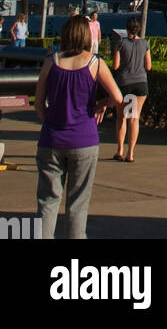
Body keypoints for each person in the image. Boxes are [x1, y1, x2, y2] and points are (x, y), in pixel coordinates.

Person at [34, 14, 124, 238]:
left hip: (51, 139)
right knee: (77, 204)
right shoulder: (95, 63)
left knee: (47, 202)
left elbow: (38, 105)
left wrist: (52, 121)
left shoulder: (51, 62)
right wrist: (101, 104)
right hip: (84, 140)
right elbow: (119, 97)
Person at [112, 17, 151, 162]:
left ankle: (120, 150)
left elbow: (115, 66)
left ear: (126, 28)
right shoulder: (145, 43)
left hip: (125, 83)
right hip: (141, 83)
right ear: (139, 29)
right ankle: (131, 153)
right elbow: (148, 66)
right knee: (134, 118)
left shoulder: (120, 43)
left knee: (122, 117)